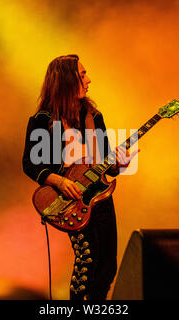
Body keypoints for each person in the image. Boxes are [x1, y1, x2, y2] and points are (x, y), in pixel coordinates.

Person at [22, 54, 138, 300]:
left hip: (100, 196)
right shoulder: (43, 120)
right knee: (88, 260)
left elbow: (105, 162)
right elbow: (30, 164)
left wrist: (120, 164)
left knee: (107, 266)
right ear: (66, 79)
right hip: (71, 198)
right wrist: (60, 181)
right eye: (83, 74)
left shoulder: (94, 117)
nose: (89, 80)